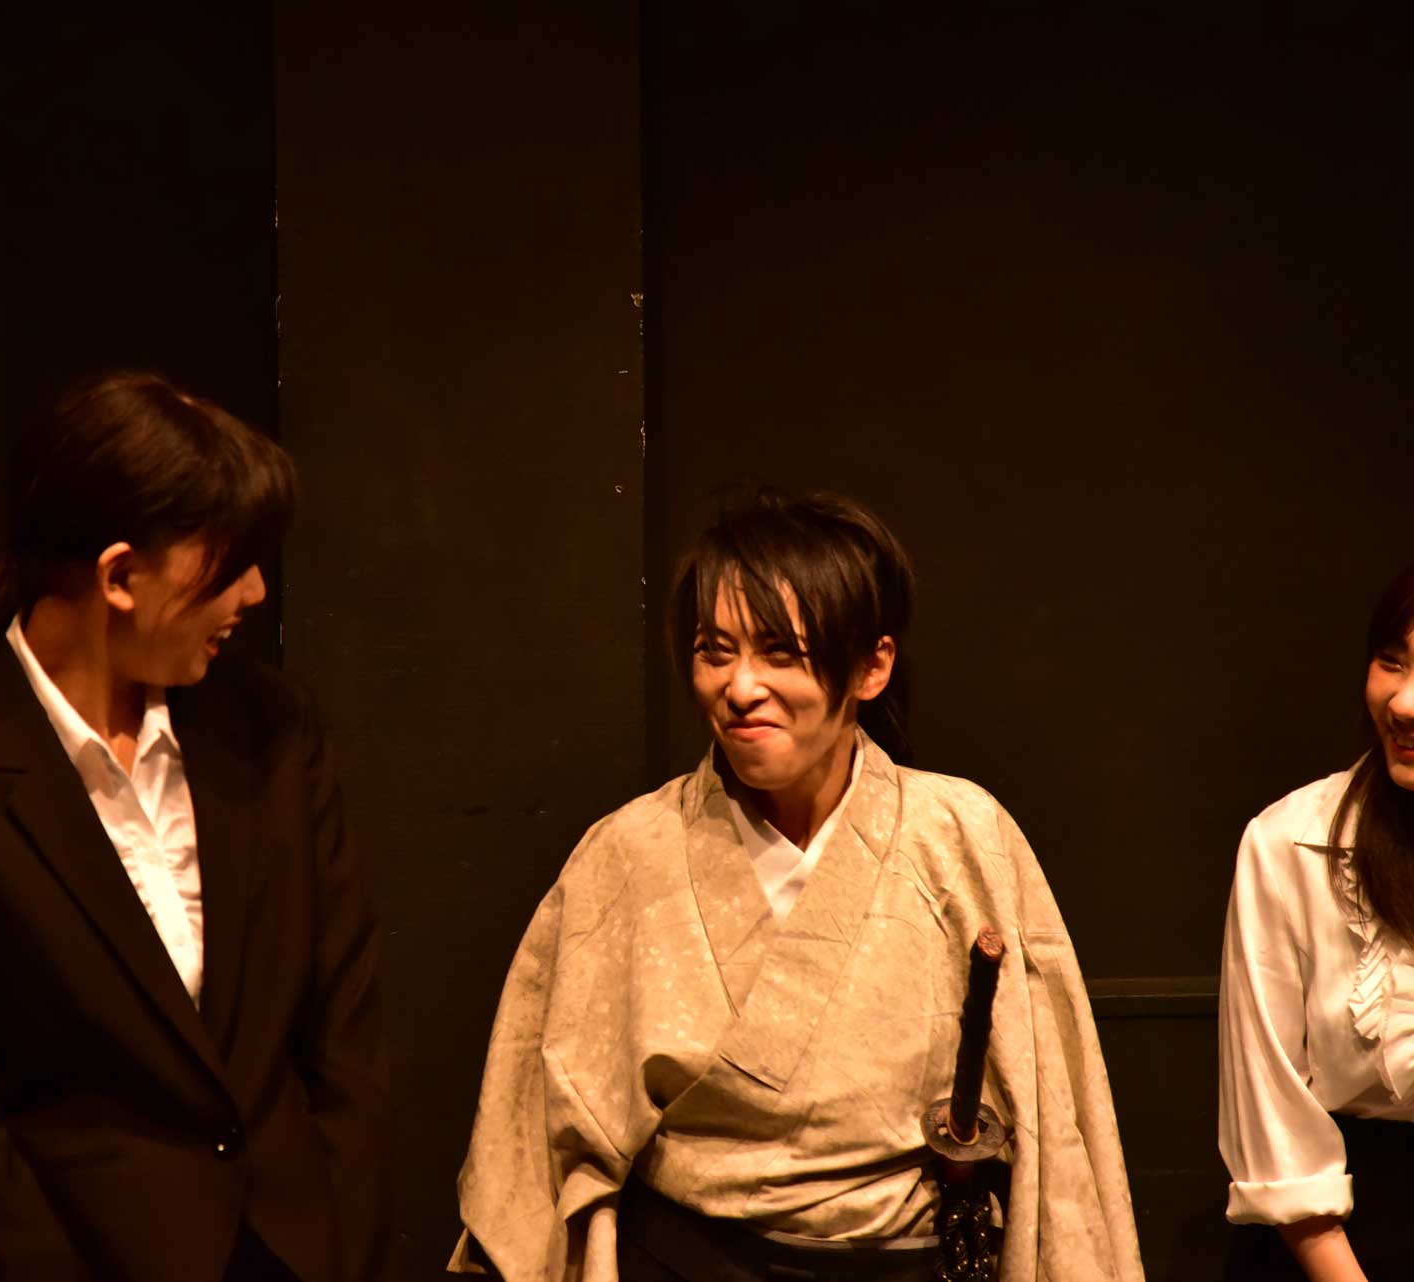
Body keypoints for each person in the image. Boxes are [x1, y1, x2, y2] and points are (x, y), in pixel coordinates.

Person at [451, 489, 1142, 1282]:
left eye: (779, 652)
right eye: (715, 652)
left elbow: (1056, 1127)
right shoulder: (626, 853)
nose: (741, 687)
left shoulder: (961, 836)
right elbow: (530, 1145)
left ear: (872, 666)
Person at [0, 371, 389, 1282]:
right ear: (121, 576)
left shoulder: (272, 731)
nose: (255, 592)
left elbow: (346, 1032)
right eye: (229, 562)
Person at [1219, 561, 1414, 1282]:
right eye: (1391, 662)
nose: (1404, 703)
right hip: (1337, 1242)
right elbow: (1269, 1111)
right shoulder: (1289, 843)